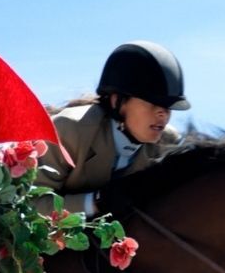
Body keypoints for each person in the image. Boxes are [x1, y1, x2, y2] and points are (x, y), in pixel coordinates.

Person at [38, 41, 189, 213]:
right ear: (117, 101)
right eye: (153, 103)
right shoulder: (69, 129)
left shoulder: (167, 144)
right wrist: (94, 202)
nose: (164, 114)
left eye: (168, 106)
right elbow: (31, 206)